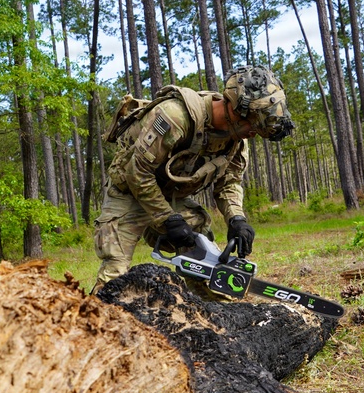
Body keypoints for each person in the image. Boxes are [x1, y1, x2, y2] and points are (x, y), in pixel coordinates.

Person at [93, 65, 295, 290]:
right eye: (253, 126)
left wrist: (237, 219)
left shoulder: (236, 140)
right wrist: (166, 218)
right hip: (129, 192)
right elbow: (138, 172)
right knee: (115, 276)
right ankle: (91, 318)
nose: (253, 134)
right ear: (236, 110)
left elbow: (229, 182)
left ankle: (207, 307)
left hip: (171, 197)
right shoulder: (176, 116)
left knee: (206, 260)